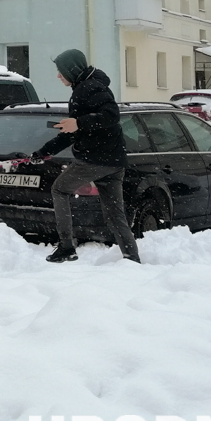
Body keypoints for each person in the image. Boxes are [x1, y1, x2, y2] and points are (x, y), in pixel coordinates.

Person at [31, 48, 140, 264]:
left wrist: (79, 122)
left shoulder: (90, 88)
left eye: (61, 71)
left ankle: (66, 247)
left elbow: (111, 116)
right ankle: (131, 259)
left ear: (71, 70)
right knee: (114, 214)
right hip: (113, 161)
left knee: (59, 190)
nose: (58, 76)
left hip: (96, 159)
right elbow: (72, 133)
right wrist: (45, 151)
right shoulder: (87, 87)